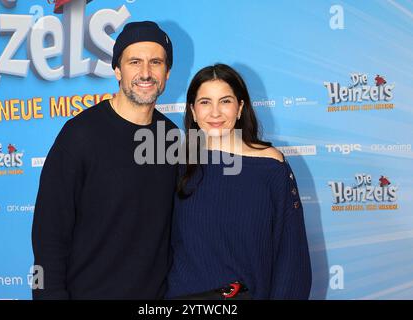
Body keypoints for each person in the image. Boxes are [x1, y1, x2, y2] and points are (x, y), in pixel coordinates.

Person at [31, 21, 178, 299]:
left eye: (155, 62)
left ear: (167, 73)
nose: (145, 73)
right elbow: (48, 235)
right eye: (134, 61)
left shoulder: (170, 136)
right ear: (117, 70)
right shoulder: (80, 135)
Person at [165, 64, 312, 300]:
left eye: (225, 101)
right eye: (205, 102)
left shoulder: (270, 166)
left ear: (240, 107)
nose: (215, 113)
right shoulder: (175, 166)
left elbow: (291, 254)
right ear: (192, 110)